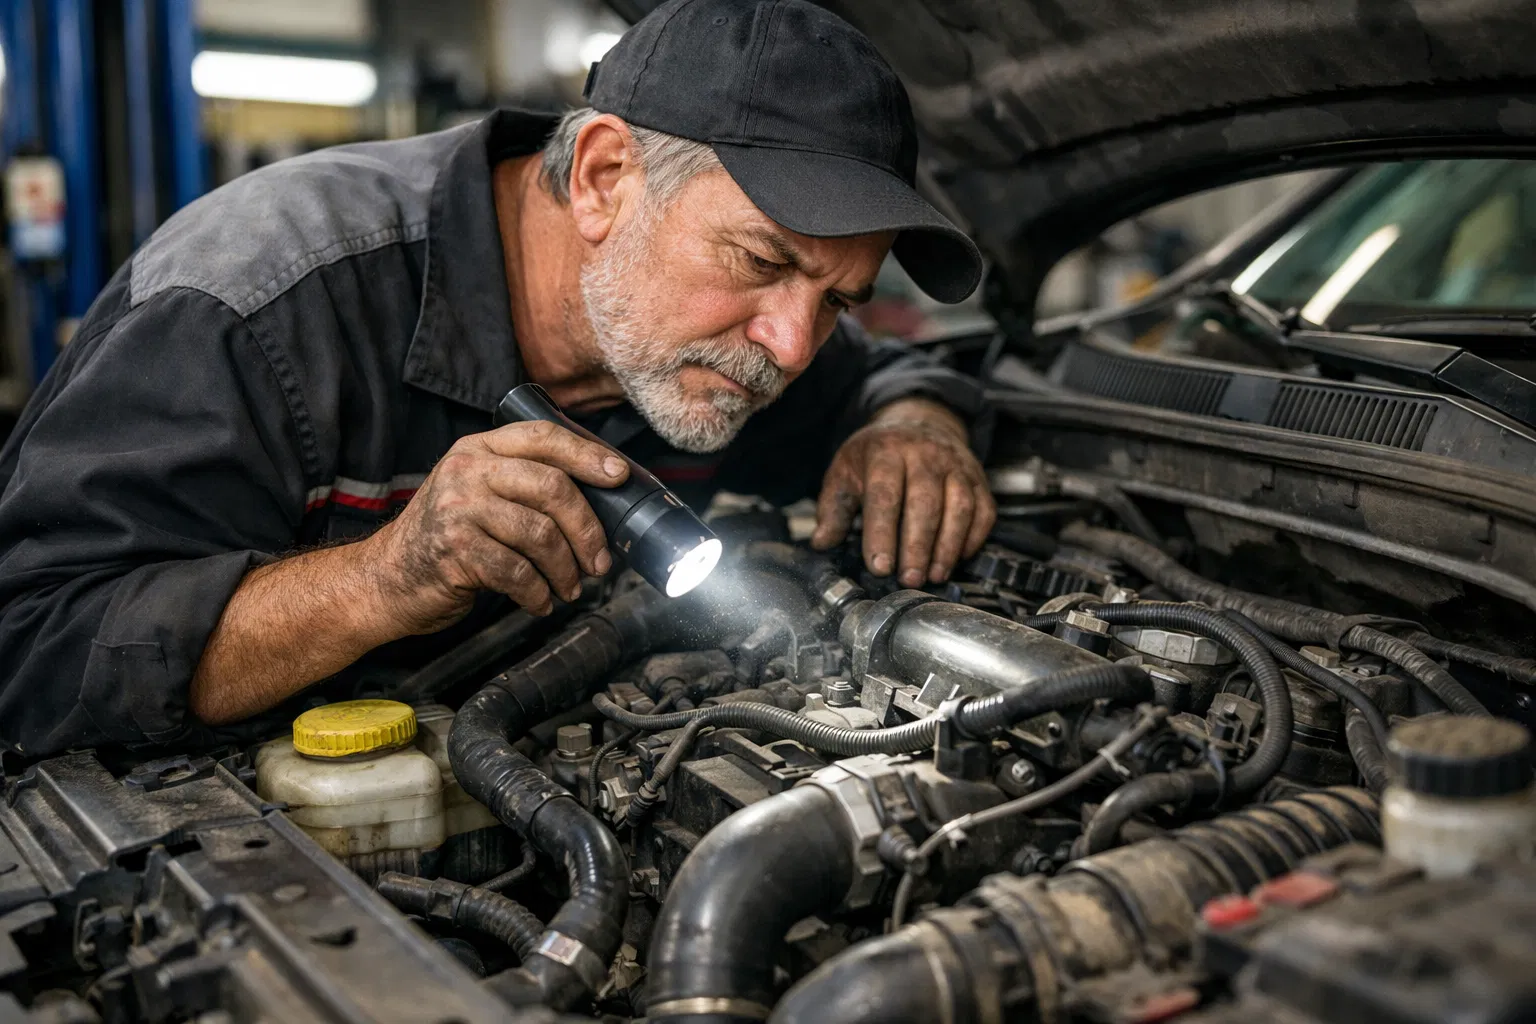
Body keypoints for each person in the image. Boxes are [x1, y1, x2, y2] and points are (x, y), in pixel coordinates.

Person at [0, 0, 994, 758]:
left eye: (838, 301)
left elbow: (891, 376)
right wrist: (385, 575)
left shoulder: (732, 342)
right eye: (762, 261)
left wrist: (914, 423)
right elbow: (30, 645)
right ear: (606, 178)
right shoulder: (252, 310)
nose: (788, 345)